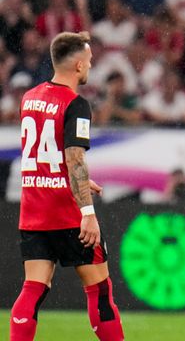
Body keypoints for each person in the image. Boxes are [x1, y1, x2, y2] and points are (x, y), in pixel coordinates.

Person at [10, 31, 124, 341]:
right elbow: (74, 159)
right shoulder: (76, 104)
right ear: (76, 64)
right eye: (88, 60)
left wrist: (82, 181)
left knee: (33, 288)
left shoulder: (29, 97)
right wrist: (87, 211)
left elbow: (45, 153)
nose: (90, 65)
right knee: (100, 291)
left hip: (34, 209)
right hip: (67, 212)